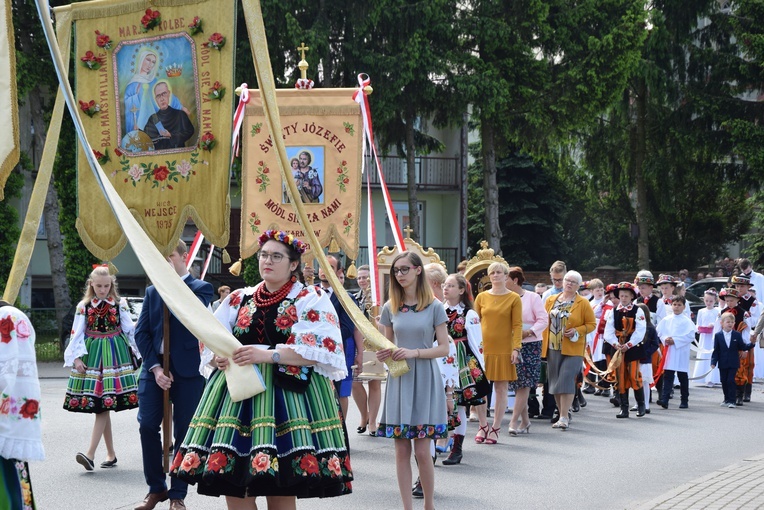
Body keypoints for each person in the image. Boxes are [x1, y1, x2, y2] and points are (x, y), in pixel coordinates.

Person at [171, 230, 353, 509]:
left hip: (287, 401)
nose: (267, 261)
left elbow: (320, 350)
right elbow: (213, 338)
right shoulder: (238, 298)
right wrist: (219, 358)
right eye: (264, 255)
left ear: (293, 264)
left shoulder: (310, 298)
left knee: (280, 486)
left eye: (276, 256)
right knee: (233, 483)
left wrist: (267, 354)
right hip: (238, 398)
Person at [134, 239, 214, 510]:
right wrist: (155, 368)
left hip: (188, 371)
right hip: (154, 369)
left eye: (169, 257)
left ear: (183, 257)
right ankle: (156, 489)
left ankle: (178, 493)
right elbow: (141, 332)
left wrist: (170, 285)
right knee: (146, 425)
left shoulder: (201, 289)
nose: (165, 263)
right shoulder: (152, 292)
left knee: (184, 432)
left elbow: (193, 314)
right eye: (160, 259)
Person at [375, 251, 449, 510]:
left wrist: (415, 352)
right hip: (400, 380)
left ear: (419, 270)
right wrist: (385, 354)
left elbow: (444, 349)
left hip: (426, 379)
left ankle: (429, 505)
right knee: (401, 451)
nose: (399, 274)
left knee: (422, 452)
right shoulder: (389, 307)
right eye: (396, 270)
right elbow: (389, 347)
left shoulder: (435, 306)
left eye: (404, 269)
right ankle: (407, 507)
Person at [63, 265, 140, 470]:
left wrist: (139, 353)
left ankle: (90, 454)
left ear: (111, 285)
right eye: (99, 286)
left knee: (102, 405)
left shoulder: (119, 304)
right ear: (91, 285)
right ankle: (110, 454)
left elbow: (129, 329)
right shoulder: (84, 306)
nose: (103, 289)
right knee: (101, 405)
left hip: (115, 356)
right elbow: (76, 333)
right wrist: (77, 358)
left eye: (106, 286)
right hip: (93, 356)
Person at [0, 301, 44, 510]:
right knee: (15, 470)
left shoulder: (7, 316)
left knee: (11, 470)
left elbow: (5, 368)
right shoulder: (14, 314)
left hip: (11, 405)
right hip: (20, 405)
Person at [441, 273, 488, 465]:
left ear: (462, 290)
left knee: (459, 404)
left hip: (461, 362)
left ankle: (457, 448)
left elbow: (478, 343)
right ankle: (440, 440)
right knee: (440, 402)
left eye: (451, 285)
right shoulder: (438, 309)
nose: (446, 288)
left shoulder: (469, 314)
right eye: (445, 285)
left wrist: (481, 369)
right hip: (441, 359)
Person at [474, 262, 521, 442]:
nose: (495, 275)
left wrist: (516, 348)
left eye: (499, 272)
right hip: (482, 349)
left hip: (504, 348)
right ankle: (482, 425)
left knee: (501, 389)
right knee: (481, 389)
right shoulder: (481, 297)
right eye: (492, 273)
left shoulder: (514, 298)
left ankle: (495, 427)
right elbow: (474, 323)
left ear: (506, 275)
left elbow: (517, 325)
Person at [543, 271, 596, 428]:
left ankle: (564, 417)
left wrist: (577, 330)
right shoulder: (551, 299)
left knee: (566, 379)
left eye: (573, 282)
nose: (569, 283)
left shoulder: (583, 303)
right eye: (567, 280)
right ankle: (561, 414)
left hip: (573, 347)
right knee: (555, 382)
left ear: (578, 285)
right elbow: (543, 319)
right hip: (553, 346)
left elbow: (591, 324)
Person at [318, 255, 364, 423]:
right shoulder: (310, 293)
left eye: (330, 267)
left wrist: (319, 337)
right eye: (322, 266)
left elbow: (347, 328)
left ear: (338, 272)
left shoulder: (346, 297)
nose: (325, 271)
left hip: (339, 351)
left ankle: (341, 428)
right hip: (313, 353)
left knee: (340, 390)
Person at [506, 266, 547, 435]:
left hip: (531, 344)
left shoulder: (533, 297)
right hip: (511, 343)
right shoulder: (505, 297)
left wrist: (529, 332)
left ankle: (514, 421)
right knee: (517, 383)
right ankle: (526, 421)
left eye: (506, 278)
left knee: (526, 383)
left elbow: (543, 319)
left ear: (515, 280)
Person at [351, 265, 382, 437]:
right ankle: (364, 416)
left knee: (374, 383)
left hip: (375, 344)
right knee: (355, 383)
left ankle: (372, 421)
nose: (363, 280)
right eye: (360, 277)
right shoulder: (354, 298)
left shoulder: (380, 299)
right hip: (358, 345)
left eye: (366, 277)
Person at [124, 48, 187, 134]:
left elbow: (166, 94)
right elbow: (127, 103)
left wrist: (180, 107)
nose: (150, 64)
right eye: (148, 60)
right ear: (141, 59)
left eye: (153, 62)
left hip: (158, 120)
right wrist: (137, 95)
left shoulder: (154, 81)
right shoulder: (133, 84)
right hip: (141, 122)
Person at [656, 296, 696, 410]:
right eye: (674, 304)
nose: (676, 307)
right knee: (668, 375)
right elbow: (659, 332)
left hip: (681, 351)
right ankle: (665, 399)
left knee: (682, 376)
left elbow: (690, 336)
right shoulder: (667, 319)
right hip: (670, 351)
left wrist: (676, 341)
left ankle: (684, 400)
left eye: (679, 305)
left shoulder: (687, 321)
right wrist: (665, 339)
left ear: (684, 307)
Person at [711, 312, 756, 408]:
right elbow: (716, 351)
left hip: (733, 363)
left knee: (731, 380)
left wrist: (752, 344)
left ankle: (732, 401)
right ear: (722, 323)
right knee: (723, 381)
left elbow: (743, 346)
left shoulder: (737, 335)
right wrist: (713, 362)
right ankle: (726, 399)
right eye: (728, 322)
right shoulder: (718, 336)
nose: (730, 324)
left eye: (732, 322)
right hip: (722, 363)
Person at [143, 81, 195, 150]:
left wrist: (171, 135)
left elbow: (189, 131)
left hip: (178, 154)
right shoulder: (153, 119)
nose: (161, 99)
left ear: (169, 94)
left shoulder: (180, 114)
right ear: (156, 99)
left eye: (164, 93)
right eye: (158, 96)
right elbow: (147, 138)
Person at [731, 275, 759, 402]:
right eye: (736, 286)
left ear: (748, 287)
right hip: (731, 334)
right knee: (733, 364)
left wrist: (745, 317)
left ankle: (747, 390)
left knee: (747, 364)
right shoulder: (732, 298)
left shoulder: (752, 301)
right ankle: (735, 391)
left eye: (742, 286)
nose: (739, 288)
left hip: (745, 335)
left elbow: (755, 321)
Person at [694, 289, 721, 386]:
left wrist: (713, 324)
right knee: (703, 355)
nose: (708, 303)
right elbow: (698, 324)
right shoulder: (701, 311)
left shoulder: (717, 311)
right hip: (704, 336)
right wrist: (698, 328)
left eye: (711, 301)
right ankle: (702, 377)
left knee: (712, 355)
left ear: (715, 301)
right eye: (707, 301)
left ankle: (712, 378)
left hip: (713, 337)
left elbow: (719, 322)